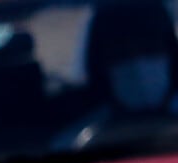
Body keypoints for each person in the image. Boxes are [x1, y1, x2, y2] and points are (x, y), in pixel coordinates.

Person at [55, 0, 178, 146]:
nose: (137, 61)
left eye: (148, 47)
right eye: (122, 52)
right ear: (101, 62)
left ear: (169, 51)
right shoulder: (78, 142)